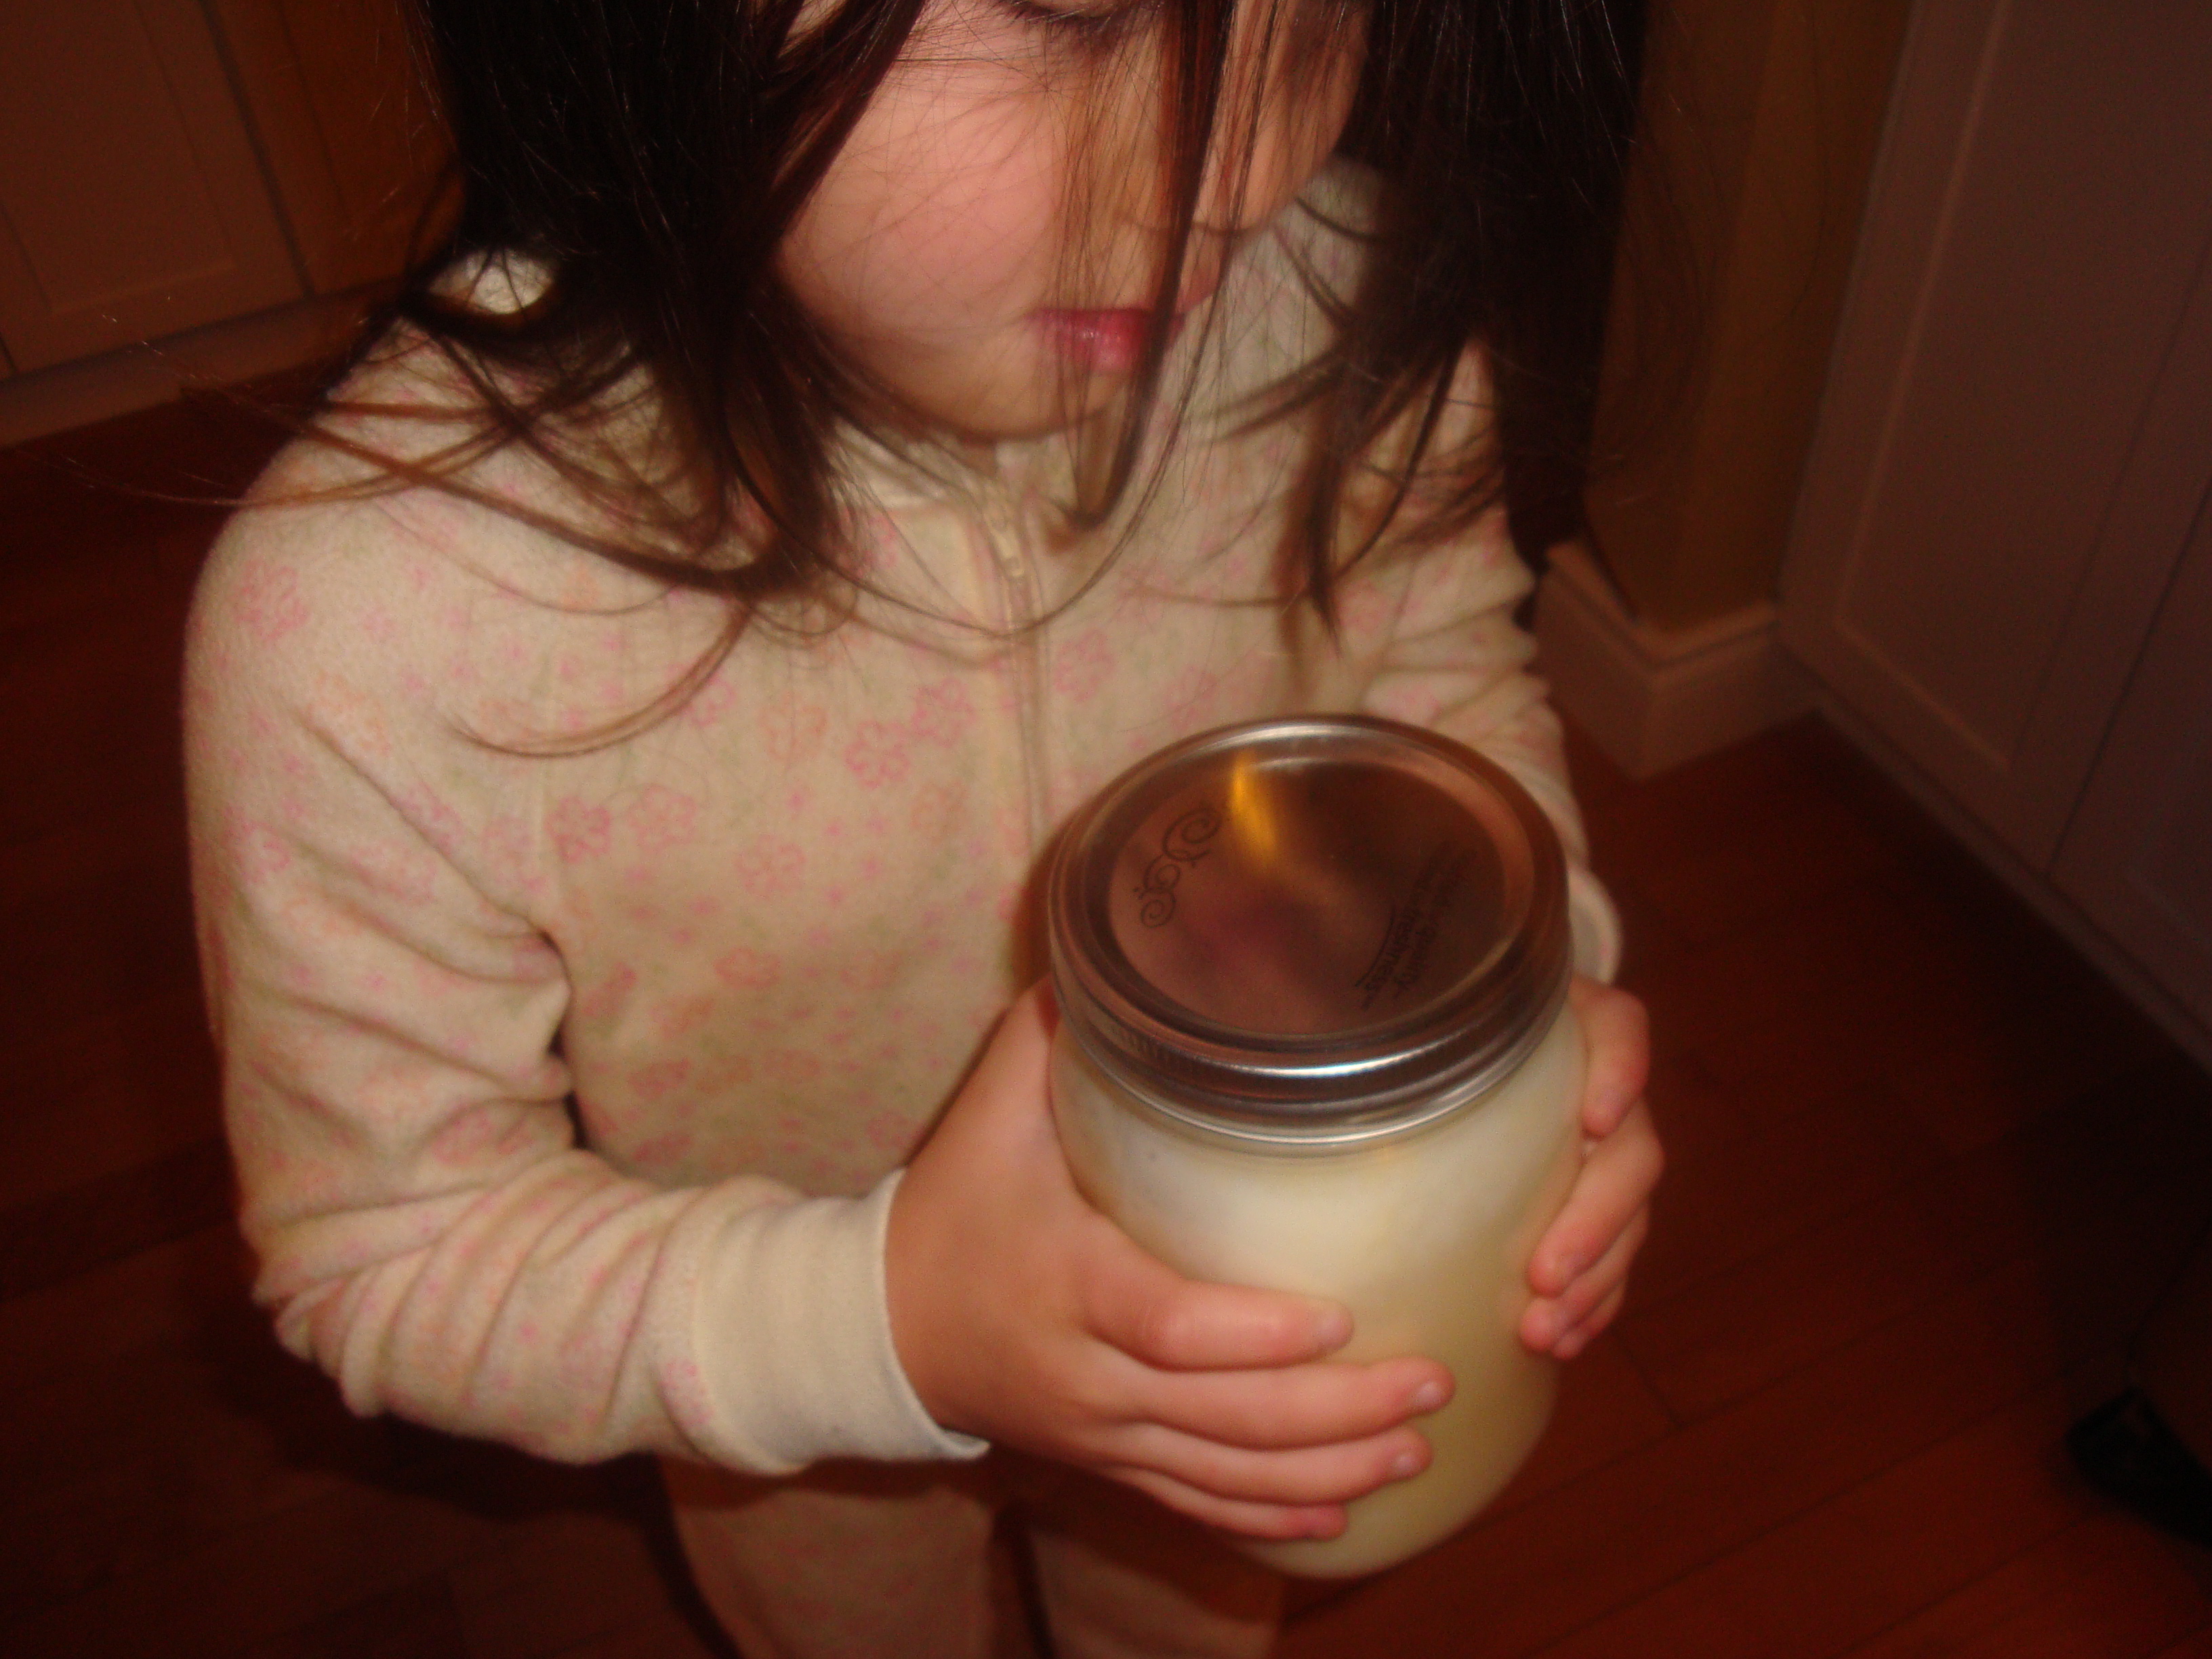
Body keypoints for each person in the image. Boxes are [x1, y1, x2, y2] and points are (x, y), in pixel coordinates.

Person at [184, 0, 1664, 1653]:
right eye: (1082, 10)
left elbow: (1445, 678)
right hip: (804, 1442)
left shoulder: (1338, 304)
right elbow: (389, 1243)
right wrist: (882, 1326)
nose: (1236, 175)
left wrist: (1529, 1011)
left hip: (1246, 1374)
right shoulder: (379, 621)